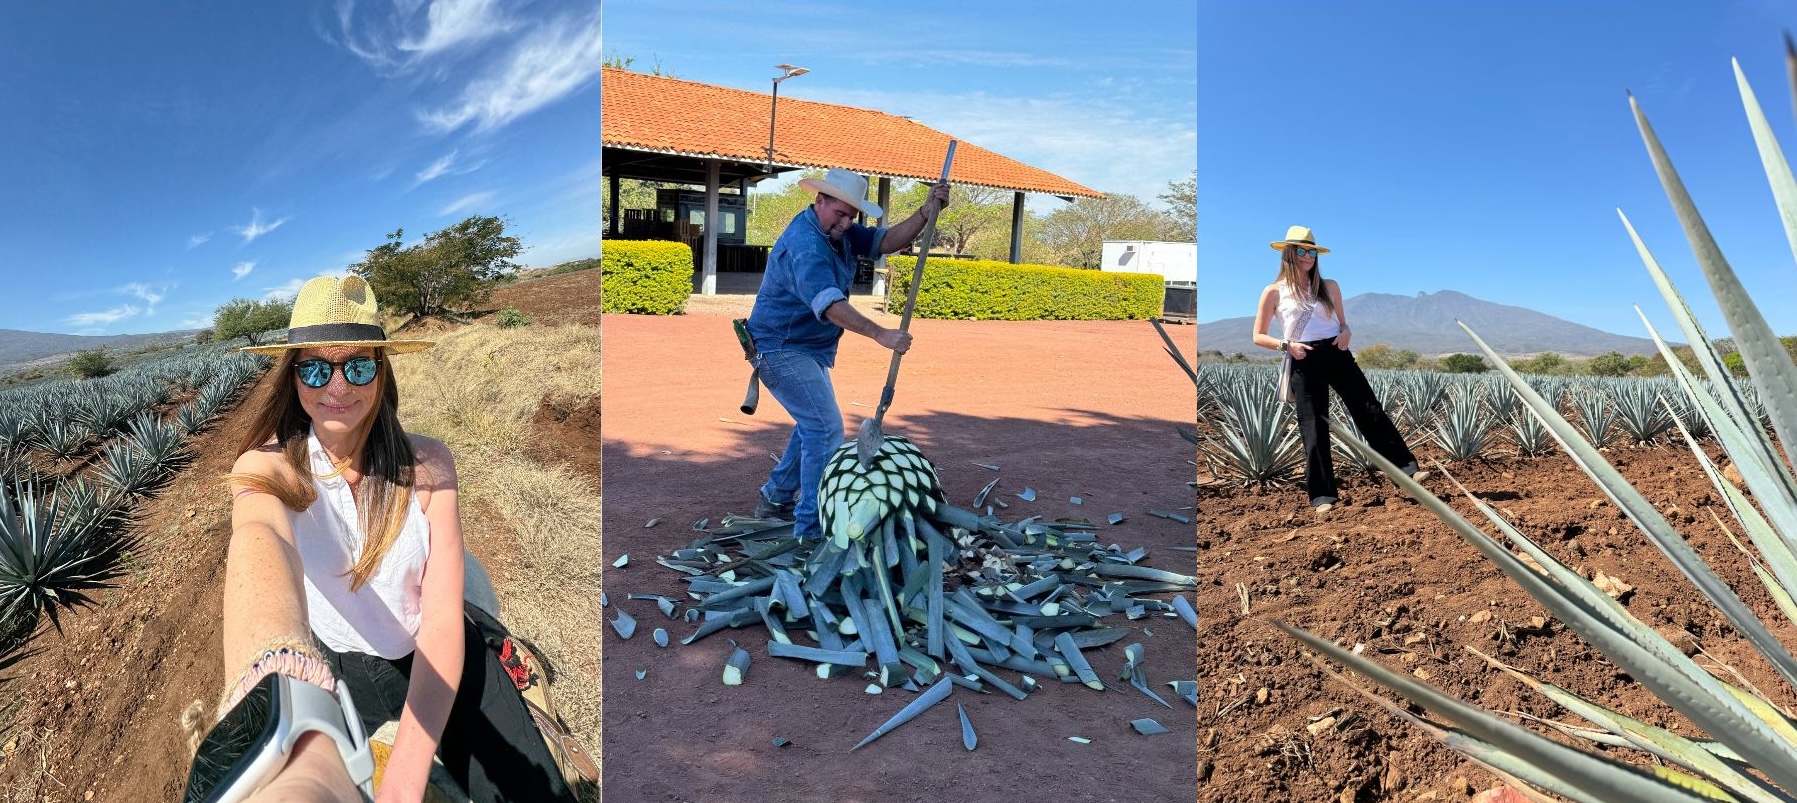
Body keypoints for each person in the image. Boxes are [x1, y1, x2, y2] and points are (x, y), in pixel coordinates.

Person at [218, 275, 575, 802]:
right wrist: (270, 670)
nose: (337, 388)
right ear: (293, 380)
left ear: (381, 373)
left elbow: (441, 619)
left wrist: (405, 777)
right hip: (342, 666)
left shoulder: (428, 466)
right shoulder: (270, 469)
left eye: (357, 366)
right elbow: (257, 538)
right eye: (315, 369)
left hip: (438, 653)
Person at [745, 167, 950, 539]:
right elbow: (828, 303)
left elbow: (884, 242)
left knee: (813, 423)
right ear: (819, 200)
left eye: (851, 216)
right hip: (780, 346)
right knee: (825, 428)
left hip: (809, 347)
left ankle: (774, 498)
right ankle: (809, 528)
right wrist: (878, 332)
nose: (846, 223)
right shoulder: (805, 244)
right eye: (840, 214)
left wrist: (924, 212)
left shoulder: (837, 231)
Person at [1251, 226, 1427, 512]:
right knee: (1313, 426)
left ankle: (1406, 470)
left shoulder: (1329, 286)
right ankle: (1323, 497)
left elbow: (1343, 323)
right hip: (1303, 357)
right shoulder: (1273, 292)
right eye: (1301, 250)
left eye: (1312, 251)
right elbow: (1257, 335)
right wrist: (1286, 346)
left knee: (1369, 409)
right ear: (1288, 253)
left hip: (1337, 353)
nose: (1308, 256)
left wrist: (1346, 333)